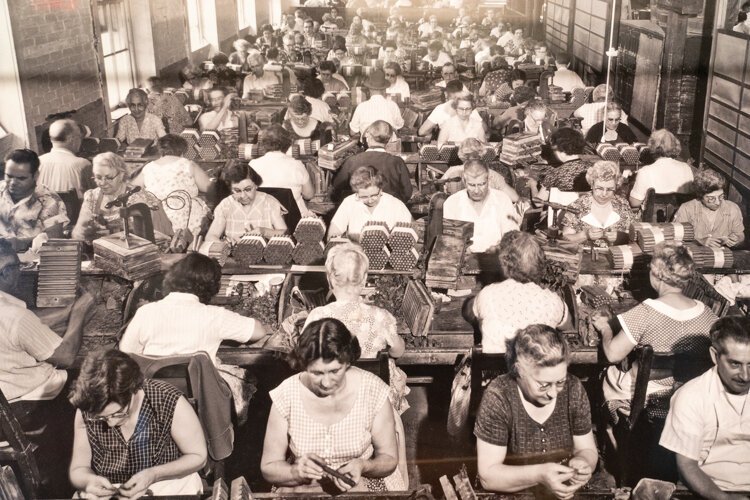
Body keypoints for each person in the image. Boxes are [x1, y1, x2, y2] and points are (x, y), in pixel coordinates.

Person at [261, 318, 404, 493]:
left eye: (335, 371)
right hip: (302, 487)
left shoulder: (372, 390)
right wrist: (295, 471)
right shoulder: (286, 394)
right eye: (316, 373)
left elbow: (389, 459)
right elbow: (268, 467)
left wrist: (363, 466)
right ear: (304, 365)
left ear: (348, 362)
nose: (326, 383)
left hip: (360, 482)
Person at [593, 243, 718, 424]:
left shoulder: (646, 311)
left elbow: (613, 354)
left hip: (647, 397)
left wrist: (605, 327)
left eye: (650, 267)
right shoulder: (707, 313)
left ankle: (614, 432)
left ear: (657, 275)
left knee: (609, 371)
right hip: (691, 393)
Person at [475, 324, 597, 497]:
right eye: (544, 385)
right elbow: (488, 477)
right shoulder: (499, 396)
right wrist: (540, 475)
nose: (553, 393)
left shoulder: (574, 388)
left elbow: (588, 450)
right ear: (519, 371)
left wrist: (583, 462)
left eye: (560, 382)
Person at [68, 350, 207, 496]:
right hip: (111, 492)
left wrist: (154, 474)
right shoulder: (88, 410)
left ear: (134, 390)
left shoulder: (167, 399)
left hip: (168, 486)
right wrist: (89, 481)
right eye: (102, 417)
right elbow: (79, 468)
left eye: (117, 413)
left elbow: (198, 456)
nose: (110, 423)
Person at [304, 243, 409, 414]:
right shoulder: (380, 316)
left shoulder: (317, 316)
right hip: (372, 399)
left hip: (332, 397)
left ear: (330, 279)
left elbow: (306, 358)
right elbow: (398, 352)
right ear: (364, 279)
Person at [659, 316, 750, 497]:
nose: (745, 376)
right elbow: (687, 465)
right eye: (735, 364)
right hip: (711, 492)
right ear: (715, 356)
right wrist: (723, 498)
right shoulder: (691, 396)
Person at [468, 232, 568, 353]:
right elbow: (569, 328)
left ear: (504, 264)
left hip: (494, 370)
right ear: (540, 263)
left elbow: (470, 313)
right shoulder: (554, 301)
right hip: (536, 370)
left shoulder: (487, 294)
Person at [71, 152, 173, 242]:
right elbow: (77, 234)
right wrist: (84, 232)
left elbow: (160, 238)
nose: (102, 183)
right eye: (98, 177)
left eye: (109, 178)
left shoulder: (140, 198)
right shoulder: (92, 196)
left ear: (121, 175)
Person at [132, 134, 212, 235]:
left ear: (160, 151)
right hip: (185, 219)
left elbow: (133, 188)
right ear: (182, 151)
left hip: (158, 219)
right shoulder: (187, 164)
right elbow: (208, 188)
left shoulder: (149, 167)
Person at [443, 160, 520, 253]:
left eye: (481, 184)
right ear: (464, 181)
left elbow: (513, 237)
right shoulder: (452, 203)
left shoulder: (502, 200)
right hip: (463, 261)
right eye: (471, 185)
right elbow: (449, 241)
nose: (476, 190)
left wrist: (497, 250)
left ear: (488, 180)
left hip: (497, 259)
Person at [1, 149, 69, 251]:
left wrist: (22, 242)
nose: (13, 182)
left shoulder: (48, 200)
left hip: (31, 259)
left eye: (21, 178)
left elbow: (55, 238)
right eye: (9, 176)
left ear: (36, 175)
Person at [333, 121, 413, 203]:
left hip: (359, 210)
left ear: (368, 137)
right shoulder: (397, 162)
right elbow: (407, 192)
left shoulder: (352, 161)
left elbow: (336, 188)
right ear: (389, 140)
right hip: (389, 211)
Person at [206, 162, 287, 243]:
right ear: (230, 189)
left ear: (256, 185)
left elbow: (285, 234)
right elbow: (211, 237)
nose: (243, 196)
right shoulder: (225, 205)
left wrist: (264, 232)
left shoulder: (269, 202)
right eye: (237, 191)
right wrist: (225, 247)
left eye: (248, 189)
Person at [328, 166, 412, 241]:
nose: (370, 200)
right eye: (364, 197)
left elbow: (410, 235)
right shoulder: (349, 203)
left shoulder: (395, 205)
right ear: (356, 192)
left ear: (381, 189)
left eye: (374, 195)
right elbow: (332, 236)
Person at [561, 161, 634, 244]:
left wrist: (621, 237)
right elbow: (565, 239)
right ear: (592, 184)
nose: (604, 194)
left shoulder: (622, 204)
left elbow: (636, 235)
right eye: (599, 188)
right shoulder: (577, 206)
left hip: (617, 255)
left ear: (616, 186)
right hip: (585, 255)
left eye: (610, 189)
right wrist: (585, 235)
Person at [250, 124, 315, 217]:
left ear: (264, 144)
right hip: (293, 220)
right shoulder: (297, 165)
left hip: (263, 219)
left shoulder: (253, 164)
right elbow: (309, 195)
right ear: (288, 144)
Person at [674, 168, 745, 248]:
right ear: (700, 196)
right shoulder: (687, 209)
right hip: (694, 256)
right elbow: (676, 240)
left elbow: (740, 234)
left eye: (721, 196)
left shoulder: (732, 208)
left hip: (722, 256)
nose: (718, 202)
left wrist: (737, 239)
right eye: (711, 198)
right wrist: (699, 242)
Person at [629, 129, 695, 208]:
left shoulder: (645, 171)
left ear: (652, 146)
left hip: (652, 218)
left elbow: (635, 203)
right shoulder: (686, 168)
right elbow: (690, 198)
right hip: (680, 217)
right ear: (675, 145)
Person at [441, 138, 520, 201]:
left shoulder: (451, 171)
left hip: (457, 217)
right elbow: (515, 198)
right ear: (481, 154)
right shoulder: (492, 174)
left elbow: (439, 196)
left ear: (461, 156)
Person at [529, 127, 591, 201]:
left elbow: (538, 202)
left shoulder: (554, 174)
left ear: (560, 151)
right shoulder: (592, 168)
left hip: (562, 211)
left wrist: (533, 185)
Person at [38, 118, 93, 199]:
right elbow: (94, 196)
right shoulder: (83, 164)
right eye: (79, 137)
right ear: (72, 139)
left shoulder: (37, 162)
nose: (80, 141)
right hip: (75, 211)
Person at [349, 69, 404, 143]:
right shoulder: (393, 105)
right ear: (384, 89)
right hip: (390, 147)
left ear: (369, 89)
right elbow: (399, 125)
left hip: (369, 149)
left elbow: (352, 132)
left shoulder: (361, 107)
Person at [419, 81, 484, 137]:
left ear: (445, 94)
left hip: (447, 148)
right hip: (467, 147)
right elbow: (484, 129)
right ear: (462, 92)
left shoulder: (439, 109)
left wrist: (434, 131)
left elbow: (422, 132)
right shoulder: (468, 106)